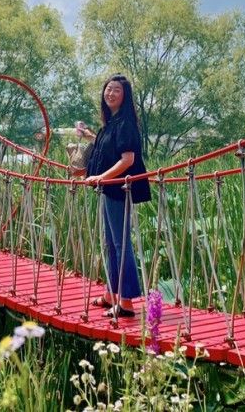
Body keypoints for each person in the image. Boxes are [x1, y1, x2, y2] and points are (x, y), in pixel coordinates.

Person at [76, 74, 151, 318]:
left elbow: (127, 159)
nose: (110, 93)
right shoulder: (111, 124)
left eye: (116, 90)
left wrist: (101, 178)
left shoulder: (126, 123)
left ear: (125, 95)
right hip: (110, 189)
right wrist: (88, 135)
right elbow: (106, 146)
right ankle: (111, 294)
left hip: (119, 189)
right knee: (110, 243)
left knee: (120, 243)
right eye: (108, 89)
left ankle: (127, 301)